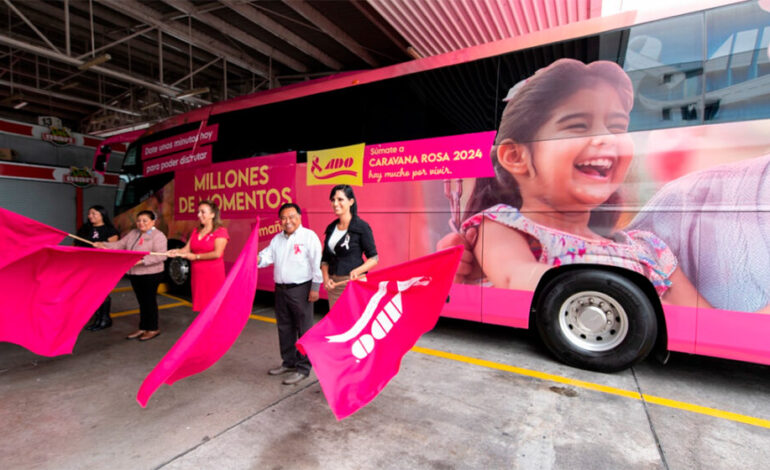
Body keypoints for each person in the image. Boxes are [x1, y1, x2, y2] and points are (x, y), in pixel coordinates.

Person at [447, 58, 708, 307]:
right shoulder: (501, 225)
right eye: (578, 126)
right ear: (516, 157)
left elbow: (705, 321)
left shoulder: (646, 247)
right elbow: (515, 277)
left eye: (617, 127)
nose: (606, 138)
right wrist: (631, 302)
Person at [257, 203, 322, 385]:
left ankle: (303, 368)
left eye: (292, 216)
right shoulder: (277, 240)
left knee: (304, 329)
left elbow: (316, 263)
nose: (288, 221)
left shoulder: (308, 237)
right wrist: (256, 259)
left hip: (301, 289)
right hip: (281, 290)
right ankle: (289, 362)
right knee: (284, 328)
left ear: (299, 217)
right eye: (284, 218)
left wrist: (315, 287)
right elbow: (267, 256)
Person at [96, 210, 168, 341]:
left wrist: (141, 261)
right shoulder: (133, 233)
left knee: (149, 301)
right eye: (139, 220)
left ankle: (153, 328)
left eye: (145, 220)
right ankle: (143, 327)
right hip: (135, 273)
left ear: (153, 222)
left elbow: (161, 255)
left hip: (151, 273)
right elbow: (119, 245)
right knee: (141, 301)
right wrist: (103, 245)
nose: (141, 223)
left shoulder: (158, 236)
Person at [321, 184, 378, 308]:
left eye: (340, 199)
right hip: (333, 286)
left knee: (355, 323)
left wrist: (357, 271)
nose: (335, 203)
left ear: (351, 202)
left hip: (353, 283)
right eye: (333, 200)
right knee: (337, 324)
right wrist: (326, 279)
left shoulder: (361, 227)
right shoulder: (331, 228)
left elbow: (374, 258)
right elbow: (324, 260)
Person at [167, 200, 229, 312]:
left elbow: (217, 253)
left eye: (202, 212)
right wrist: (175, 252)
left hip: (213, 275)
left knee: (215, 307)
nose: (199, 215)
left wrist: (196, 257)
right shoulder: (196, 231)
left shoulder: (221, 232)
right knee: (202, 308)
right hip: (198, 276)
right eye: (198, 212)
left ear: (212, 215)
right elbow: (186, 249)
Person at [75, 205, 119, 331]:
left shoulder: (110, 230)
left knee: (102, 291)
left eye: (94, 214)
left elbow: (113, 248)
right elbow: (77, 244)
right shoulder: (85, 229)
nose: (90, 216)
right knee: (91, 292)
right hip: (86, 264)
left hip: (103, 266)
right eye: (89, 214)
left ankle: (105, 319)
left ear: (102, 215)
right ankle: (98, 317)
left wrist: (102, 246)